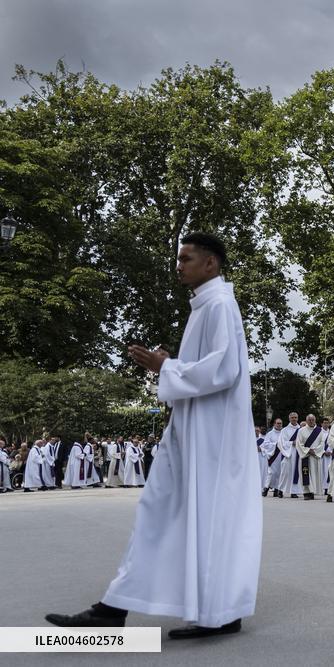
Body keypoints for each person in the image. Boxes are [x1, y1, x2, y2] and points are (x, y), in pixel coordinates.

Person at [46, 231, 262, 637]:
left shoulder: (219, 304)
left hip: (210, 442)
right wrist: (169, 366)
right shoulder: (206, 305)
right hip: (195, 432)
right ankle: (205, 610)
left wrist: (167, 367)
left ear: (211, 263)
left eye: (186, 258)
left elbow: (225, 368)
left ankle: (131, 610)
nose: (178, 265)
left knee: (178, 515)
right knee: (173, 515)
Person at [294, 414, 325, 500]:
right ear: (306, 421)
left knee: (315, 474)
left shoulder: (320, 431)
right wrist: (308, 450)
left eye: (313, 420)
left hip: (315, 456)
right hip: (305, 456)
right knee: (305, 474)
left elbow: (322, 443)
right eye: (309, 420)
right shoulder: (301, 431)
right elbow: (298, 443)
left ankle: (313, 492)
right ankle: (306, 493)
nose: (311, 421)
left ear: (315, 420)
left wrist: (314, 451)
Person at [277, 412, 304, 498]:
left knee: (296, 473)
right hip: (289, 454)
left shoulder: (301, 429)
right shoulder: (284, 430)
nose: (294, 419)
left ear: (297, 418)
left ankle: (294, 492)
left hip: (298, 454)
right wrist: (292, 442)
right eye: (292, 417)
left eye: (295, 417)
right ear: (289, 419)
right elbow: (281, 443)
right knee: (285, 473)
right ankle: (280, 490)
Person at [260, 418, 283, 497]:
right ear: (274, 424)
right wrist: (275, 444)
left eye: (280, 423)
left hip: (281, 455)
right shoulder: (270, 434)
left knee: (279, 473)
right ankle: (266, 488)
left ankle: (277, 490)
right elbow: (265, 444)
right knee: (271, 473)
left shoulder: (284, 433)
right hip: (272, 456)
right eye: (278, 423)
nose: (279, 425)